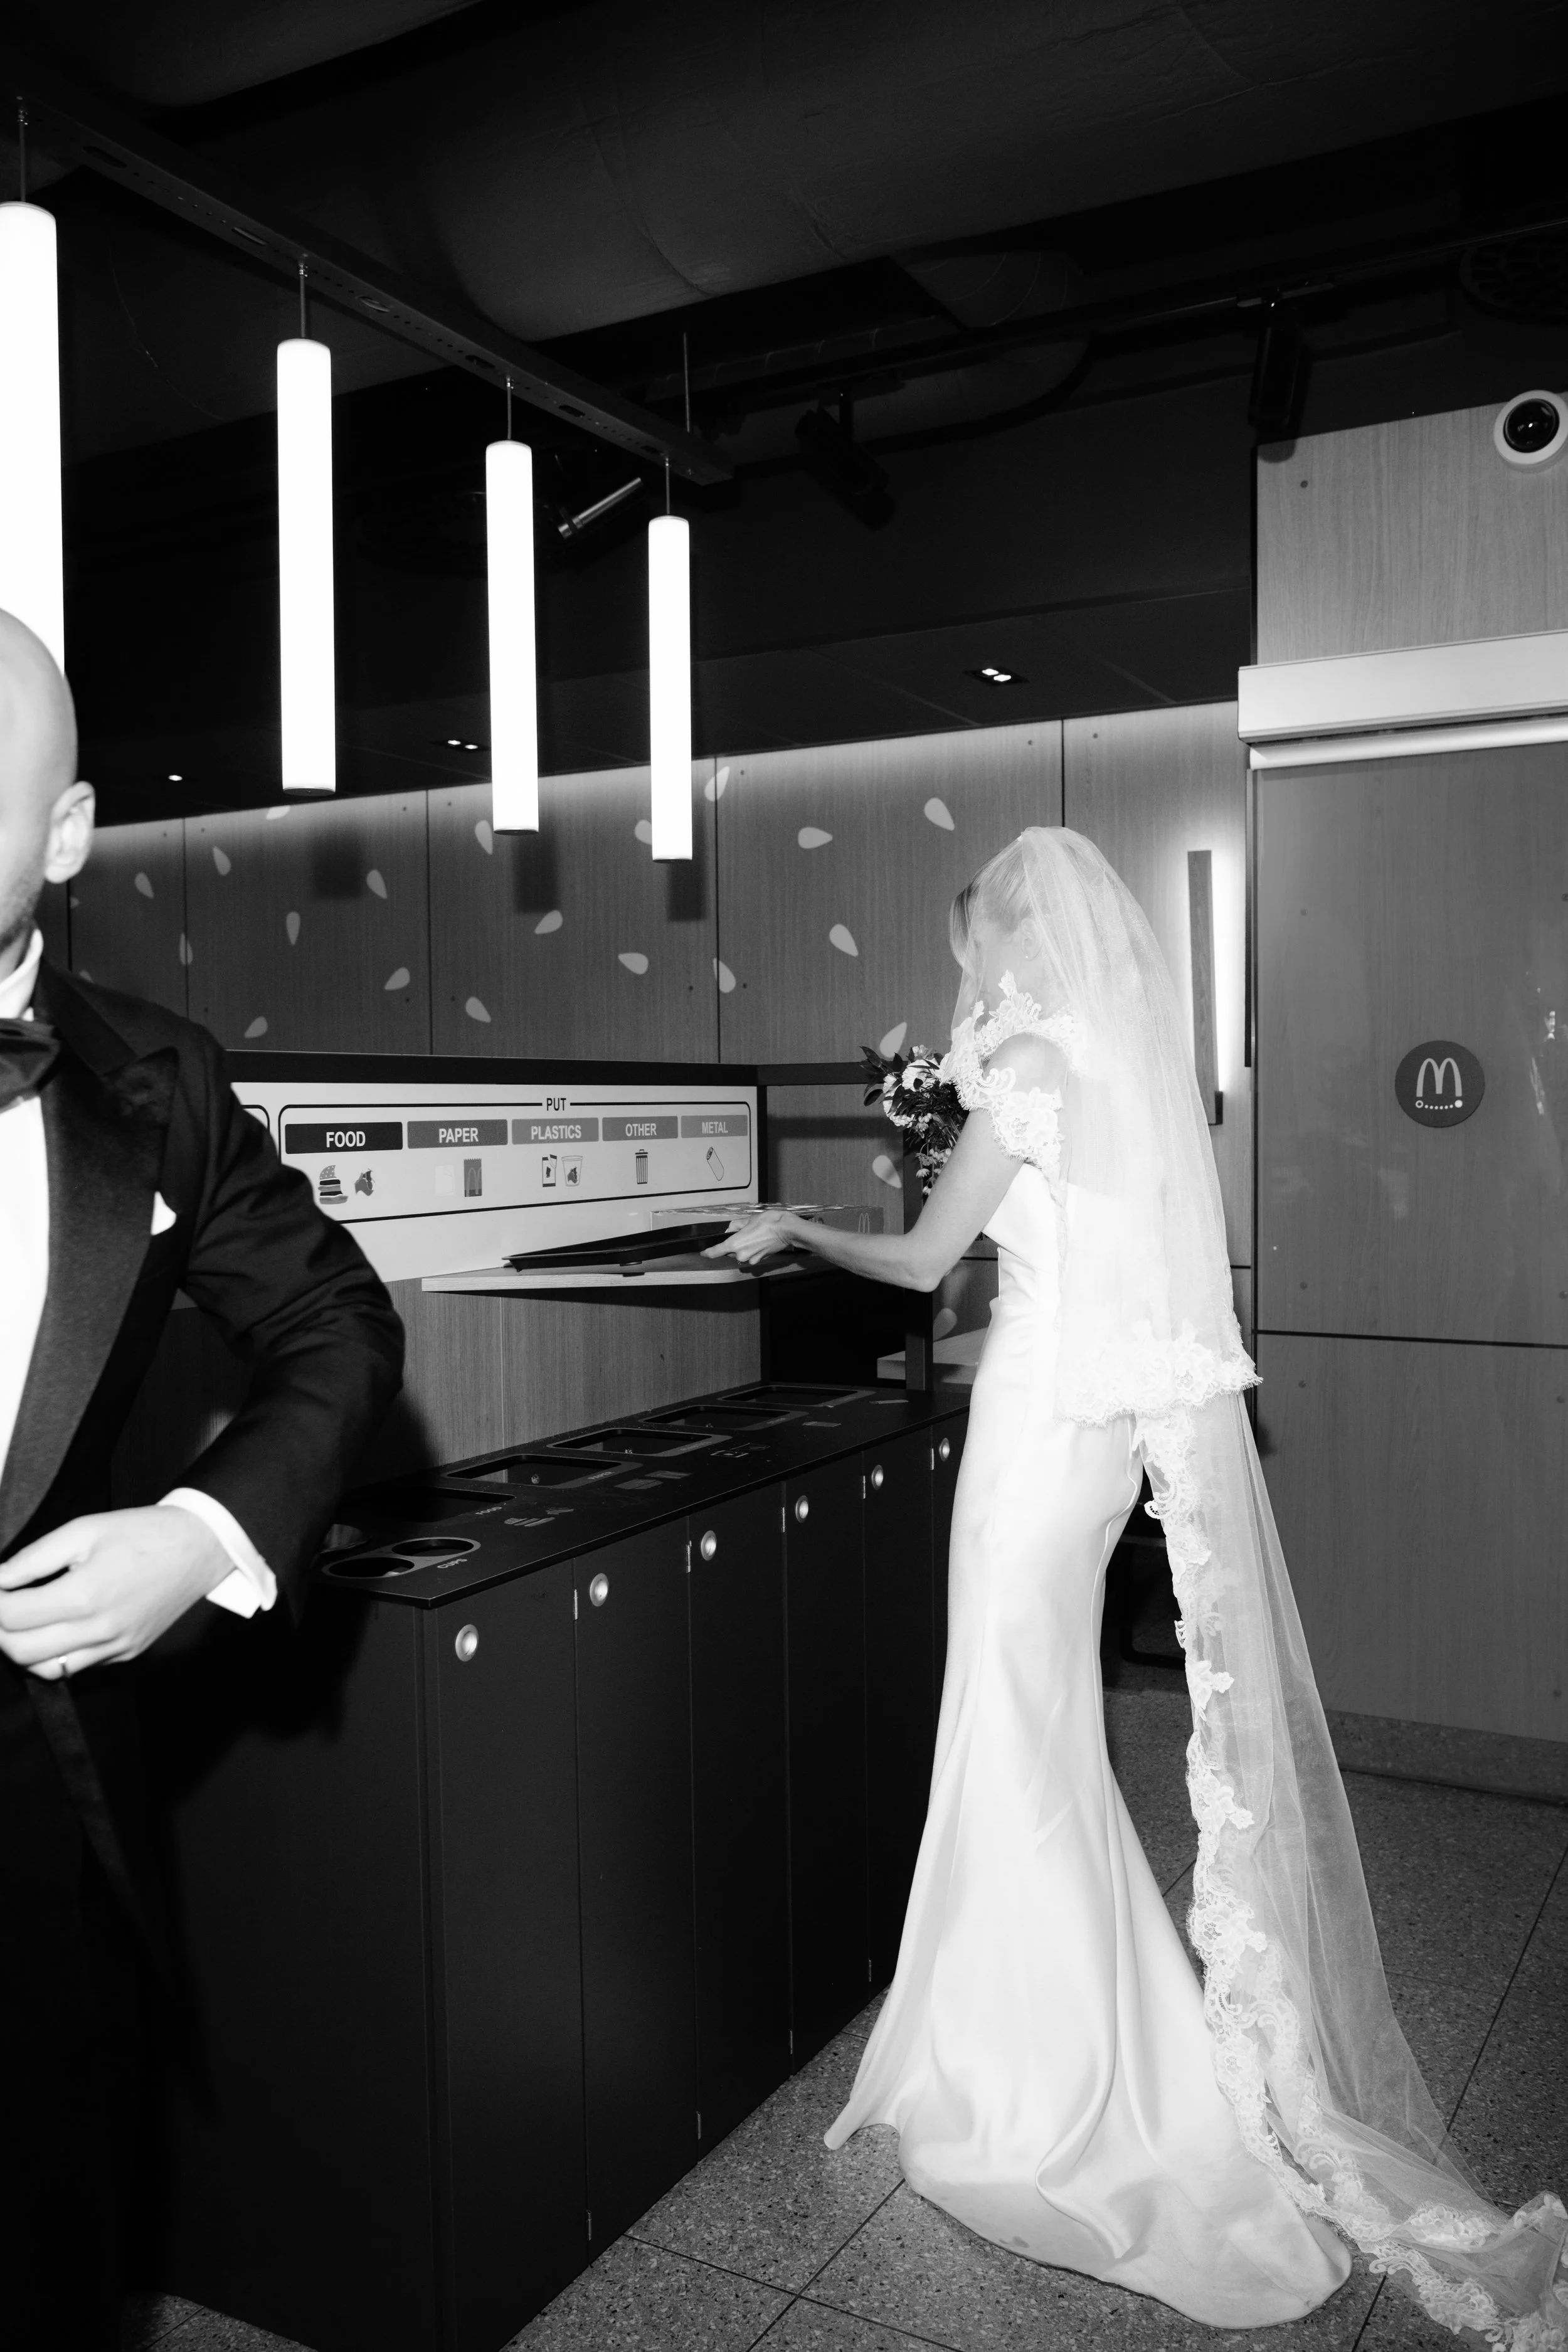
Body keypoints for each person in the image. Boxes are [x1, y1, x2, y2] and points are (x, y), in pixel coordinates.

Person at [709, 825, 1567, 2344]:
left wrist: (791, 1227)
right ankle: (1019, 2015)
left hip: (1035, 1434)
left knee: (1006, 1717)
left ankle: (1042, 2067)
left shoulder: (1019, 1068)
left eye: (969, 941)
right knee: (1029, 1719)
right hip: (1093, 1440)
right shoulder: (1110, 1069)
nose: (963, 966)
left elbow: (921, 1267)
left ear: (1007, 941)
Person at [0, 612, 405, 2351]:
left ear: (67, 832)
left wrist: (200, 1528)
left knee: (51, 2242)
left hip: (41, 1794)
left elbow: (334, 1320)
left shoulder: (157, 1080)